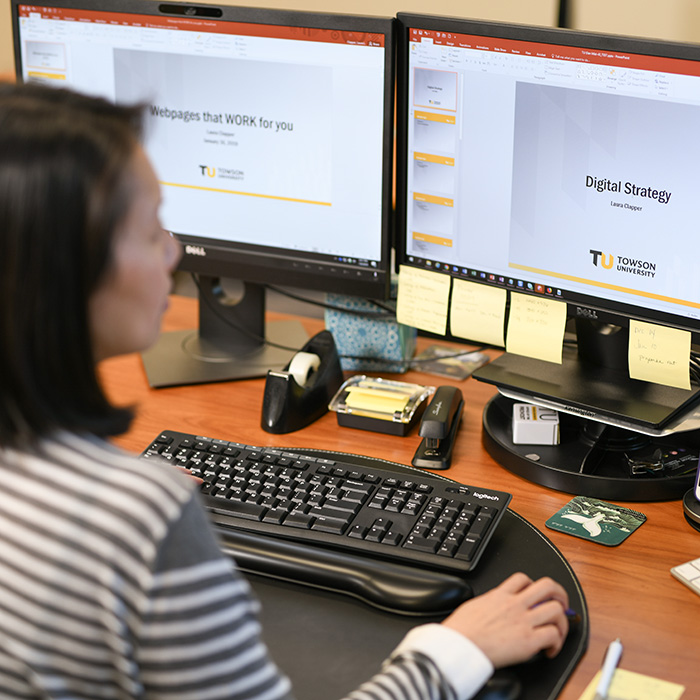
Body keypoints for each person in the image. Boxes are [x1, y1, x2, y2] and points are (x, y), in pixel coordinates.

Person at [0, 81, 569, 699]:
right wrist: (454, 651)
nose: (173, 252)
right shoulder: (134, 517)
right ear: (66, 270)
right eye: (149, 231)